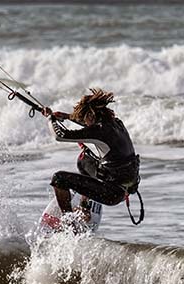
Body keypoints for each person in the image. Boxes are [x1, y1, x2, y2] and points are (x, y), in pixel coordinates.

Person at [42, 88, 140, 219]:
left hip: (112, 194)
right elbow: (88, 125)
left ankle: (68, 223)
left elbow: (60, 136)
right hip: (124, 187)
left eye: (85, 118)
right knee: (84, 160)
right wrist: (67, 116)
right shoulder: (116, 123)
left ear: (91, 116)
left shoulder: (99, 130)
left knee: (59, 179)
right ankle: (84, 208)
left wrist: (50, 119)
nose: (85, 123)